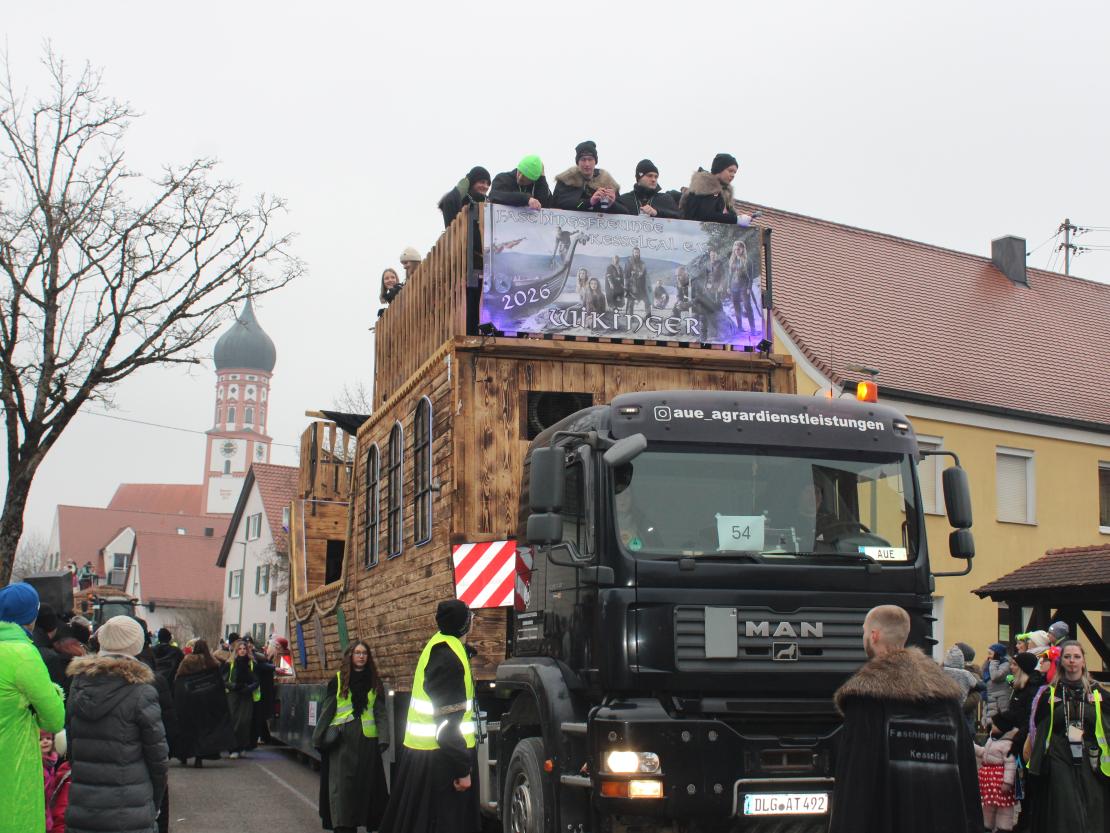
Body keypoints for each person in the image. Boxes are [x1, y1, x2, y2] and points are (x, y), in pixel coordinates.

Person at [829, 605, 980, 833]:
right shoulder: (946, 699)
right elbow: (967, 773)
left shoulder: (866, 699)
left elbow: (856, 783)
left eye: (863, 632)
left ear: (874, 635)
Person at [379, 600, 481, 833]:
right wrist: (463, 770)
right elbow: (446, 723)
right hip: (440, 763)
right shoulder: (449, 658)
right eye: (470, 618)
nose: (474, 621)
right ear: (463, 624)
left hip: (428, 758)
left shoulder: (441, 645)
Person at [65, 615, 168, 833]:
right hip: (130, 806)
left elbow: (72, 745)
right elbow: (158, 758)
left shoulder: (78, 684)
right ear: (136, 645)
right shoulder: (142, 691)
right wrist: (155, 802)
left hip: (84, 804)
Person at [0, 583, 66, 833]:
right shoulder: (25, 656)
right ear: (31, 616)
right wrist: (55, 693)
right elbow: (54, 719)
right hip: (12, 762)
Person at [1026, 640, 1110, 833]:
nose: (1072, 661)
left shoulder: (1097, 692)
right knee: (1065, 805)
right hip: (1059, 752)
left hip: (1090, 756)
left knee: (1092, 803)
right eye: (1068, 657)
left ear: (1083, 661)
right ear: (1061, 661)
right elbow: (1038, 724)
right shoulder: (1049, 693)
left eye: (1076, 657)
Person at [313, 640, 390, 833]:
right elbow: (327, 711)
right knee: (342, 788)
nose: (361, 656)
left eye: (364, 653)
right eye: (357, 653)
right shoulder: (338, 681)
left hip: (367, 742)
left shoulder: (374, 682)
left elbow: (380, 712)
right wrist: (319, 738)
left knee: (365, 787)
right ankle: (344, 826)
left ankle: (360, 821)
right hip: (342, 742)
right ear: (350, 656)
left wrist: (383, 738)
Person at [174, 639, 235, 768]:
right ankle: (199, 757)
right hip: (207, 702)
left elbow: (179, 678)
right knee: (203, 730)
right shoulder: (211, 662)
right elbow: (217, 683)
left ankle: (184, 755)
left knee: (189, 728)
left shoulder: (188, 661)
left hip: (190, 701)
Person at [552, 140, 629, 214]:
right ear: (577, 162)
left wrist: (612, 203)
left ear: (595, 161)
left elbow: (625, 212)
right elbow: (564, 205)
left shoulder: (607, 182)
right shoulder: (567, 180)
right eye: (583, 159)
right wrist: (590, 202)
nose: (587, 164)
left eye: (590, 159)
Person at [679, 152, 754, 226]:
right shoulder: (706, 186)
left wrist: (741, 217)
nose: (733, 175)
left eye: (735, 172)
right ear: (719, 169)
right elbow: (705, 215)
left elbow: (725, 216)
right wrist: (736, 220)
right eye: (730, 171)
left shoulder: (724, 194)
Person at [976, 728, 1020, 832]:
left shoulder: (1008, 744)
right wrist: (973, 747)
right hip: (991, 783)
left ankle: (1003, 828)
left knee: (1004, 807)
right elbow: (984, 752)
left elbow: (1010, 764)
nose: (992, 726)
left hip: (1001, 782)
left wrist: (1008, 782)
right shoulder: (991, 740)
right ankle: (987, 825)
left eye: (996, 724)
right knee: (989, 805)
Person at [224, 639, 260, 758]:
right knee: (234, 721)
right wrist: (234, 686)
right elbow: (224, 680)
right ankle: (233, 748)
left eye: (244, 649)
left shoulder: (252, 663)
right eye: (240, 649)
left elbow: (256, 681)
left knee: (245, 721)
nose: (242, 651)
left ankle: (242, 746)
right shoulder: (230, 663)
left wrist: (248, 688)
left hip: (246, 695)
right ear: (236, 651)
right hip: (233, 695)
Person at [617, 158, 681, 219]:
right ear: (639, 178)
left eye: (656, 177)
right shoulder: (624, 200)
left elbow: (679, 217)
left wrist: (657, 212)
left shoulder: (666, 199)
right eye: (649, 176)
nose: (653, 179)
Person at [42, 730, 71, 833]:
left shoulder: (53, 762)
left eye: (48, 738)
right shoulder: (40, 766)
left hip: (51, 808)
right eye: (40, 739)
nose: (45, 741)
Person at [728, 239, 757, 332]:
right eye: (735, 249)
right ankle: (740, 327)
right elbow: (730, 275)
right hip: (734, 287)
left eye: (738, 249)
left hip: (744, 286)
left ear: (743, 249)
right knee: (737, 307)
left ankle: (753, 328)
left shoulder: (748, 261)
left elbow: (751, 276)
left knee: (747, 306)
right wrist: (728, 286)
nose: (737, 251)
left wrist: (749, 287)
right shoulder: (732, 260)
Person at [984, 642, 1012, 722]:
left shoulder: (1005, 664)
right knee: (991, 721)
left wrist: (994, 662)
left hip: (1001, 697)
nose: (988, 656)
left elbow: (995, 676)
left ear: (997, 654)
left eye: (990, 653)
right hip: (991, 696)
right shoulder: (989, 663)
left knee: (1000, 720)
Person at [624, 247, 650, 317]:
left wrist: (646, 287)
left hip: (641, 287)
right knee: (630, 303)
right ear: (633, 253)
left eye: (638, 252)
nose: (636, 254)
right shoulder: (629, 262)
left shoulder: (642, 263)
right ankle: (629, 317)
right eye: (635, 252)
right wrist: (626, 287)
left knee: (647, 301)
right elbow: (626, 276)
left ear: (639, 253)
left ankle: (648, 316)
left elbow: (645, 276)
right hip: (632, 286)